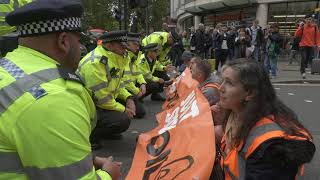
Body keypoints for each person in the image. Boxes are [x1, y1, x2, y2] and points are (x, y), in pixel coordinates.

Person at [0, 0, 121, 179]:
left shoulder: (9, 66)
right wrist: (108, 174)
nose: (81, 50)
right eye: (79, 41)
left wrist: (86, 159)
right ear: (63, 41)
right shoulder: (55, 98)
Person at [216, 59, 315, 179]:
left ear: (249, 93)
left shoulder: (269, 148)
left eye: (229, 83)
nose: (220, 88)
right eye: (222, 81)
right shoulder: (236, 117)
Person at [78, 30, 139, 144]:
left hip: (100, 101)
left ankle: (105, 131)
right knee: (122, 119)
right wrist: (124, 109)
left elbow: (118, 84)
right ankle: (91, 136)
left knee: (133, 101)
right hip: (89, 106)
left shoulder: (114, 57)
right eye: (121, 46)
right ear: (109, 45)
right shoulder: (96, 63)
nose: (125, 49)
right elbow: (102, 99)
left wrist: (128, 98)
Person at [123, 32, 147, 118]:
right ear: (128, 44)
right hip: (123, 88)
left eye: (138, 45)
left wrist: (142, 83)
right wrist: (136, 91)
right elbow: (125, 79)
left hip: (130, 87)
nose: (138, 47)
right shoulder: (124, 56)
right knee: (141, 112)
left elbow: (138, 72)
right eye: (135, 44)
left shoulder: (133, 56)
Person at [295, 14, 320, 79]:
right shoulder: (303, 27)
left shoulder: (314, 27)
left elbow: (317, 36)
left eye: (310, 19)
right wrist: (300, 27)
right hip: (303, 45)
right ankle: (303, 72)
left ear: (312, 20)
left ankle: (303, 68)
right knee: (304, 58)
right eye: (307, 19)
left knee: (308, 59)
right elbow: (296, 34)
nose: (309, 20)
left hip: (311, 45)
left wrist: (318, 44)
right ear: (305, 20)